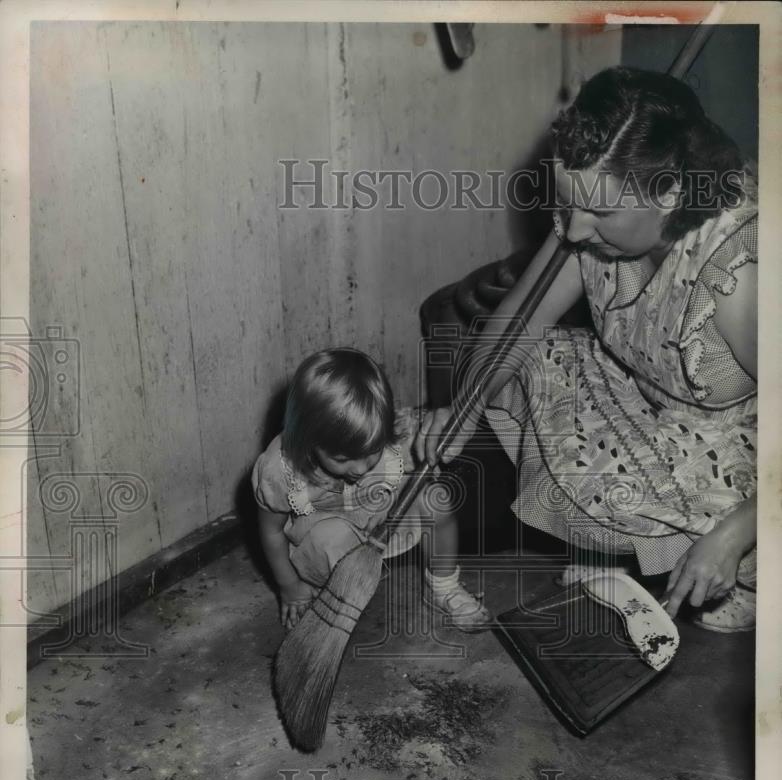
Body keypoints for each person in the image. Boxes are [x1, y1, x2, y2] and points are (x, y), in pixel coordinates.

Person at [416, 67, 757, 632]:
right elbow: (515, 327)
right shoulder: (592, 209)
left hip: (749, 444)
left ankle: (747, 567)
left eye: (598, 213)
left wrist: (735, 533)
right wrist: (465, 407)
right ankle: (622, 548)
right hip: (658, 404)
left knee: (734, 532)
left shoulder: (739, 276)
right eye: (568, 204)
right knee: (534, 363)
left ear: (669, 193)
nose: (571, 232)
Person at [254, 347, 490, 631]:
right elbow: (271, 531)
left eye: (373, 452)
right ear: (307, 440)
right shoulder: (281, 469)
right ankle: (332, 594)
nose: (361, 469)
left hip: (381, 521)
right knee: (333, 537)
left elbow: (431, 434)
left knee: (435, 500)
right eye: (342, 459)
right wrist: (289, 585)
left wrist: (442, 429)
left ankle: (443, 585)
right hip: (325, 544)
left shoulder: (392, 431)